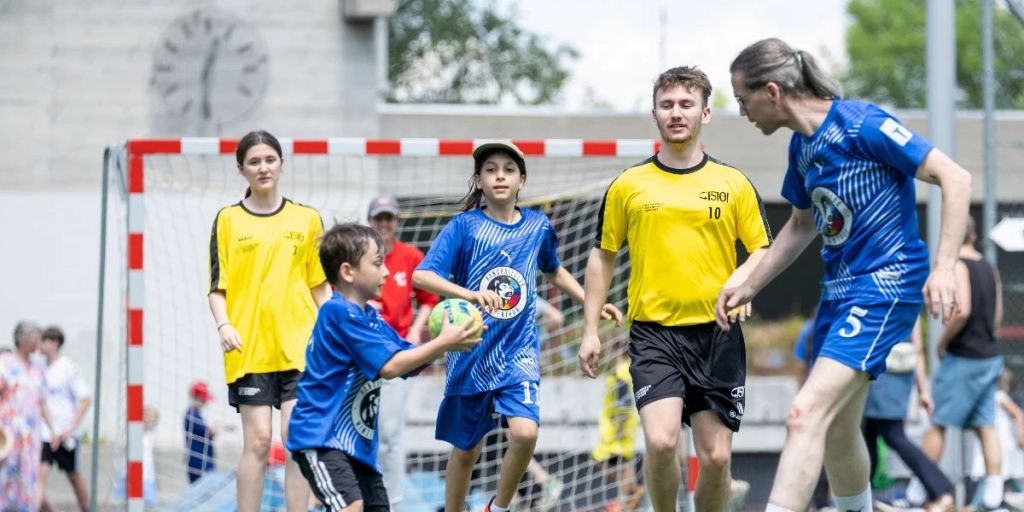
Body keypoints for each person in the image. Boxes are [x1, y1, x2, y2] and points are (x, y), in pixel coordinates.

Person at [717, 38, 973, 512]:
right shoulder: (802, 148)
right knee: (836, 428)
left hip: (886, 284)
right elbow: (800, 225)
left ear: (771, 91)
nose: (742, 112)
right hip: (837, 296)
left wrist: (943, 267)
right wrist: (748, 282)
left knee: (803, 414)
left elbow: (955, 178)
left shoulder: (863, 124)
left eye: (742, 99)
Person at [579, 65, 772, 512]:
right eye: (667, 105)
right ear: (655, 115)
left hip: (717, 336)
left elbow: (763, 248)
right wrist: (590, 329)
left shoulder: (733, 183)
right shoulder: (628, 186)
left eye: (686, 104)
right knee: (662, 442)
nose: (676, 112)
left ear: (705, 114)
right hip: (654, 336)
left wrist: (741, 281)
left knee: (717, 458)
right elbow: (602, 255)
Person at [413, 140, 623, 512]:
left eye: (508, 170)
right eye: (490, 170)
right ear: (478, 180)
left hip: (518, 353)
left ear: (521, 181)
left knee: (525, 432)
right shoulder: (465, 226)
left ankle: (500, 507)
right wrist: (470, 295)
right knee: (466, 452)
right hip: (472, 353)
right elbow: (423, 275)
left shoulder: (538, 226)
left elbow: (554, 270)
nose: (499, 176)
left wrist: (592, 302)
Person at [286, 222, 482, 512]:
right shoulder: (338, 312)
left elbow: (407, 361)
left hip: (358, 448)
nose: (387, 272)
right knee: (351, 506)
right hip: (321, 438)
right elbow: (390, 367)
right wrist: (441, 343)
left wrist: (452, 343)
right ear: (347, 271)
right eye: (378, 264)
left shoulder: (371, 319)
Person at [207, 130, 332, 512]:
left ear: (281, 163)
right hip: (248, 350)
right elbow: (217, 287)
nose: (263, 168)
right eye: (254, 162)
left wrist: (339, 328)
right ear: (241, 169)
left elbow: (319, 286)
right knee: (258, 442)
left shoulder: (307, 218)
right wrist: (224, 325)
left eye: (269, 159)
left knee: (296, 441)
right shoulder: (227, 220)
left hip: (301, 348)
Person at [919, 215, 1005, 511]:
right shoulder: (988, 266)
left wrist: (942, 342)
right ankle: (994, 493)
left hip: (964, 356)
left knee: (938, 422)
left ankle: (922, 488)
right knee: (985, 423)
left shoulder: (956, 265)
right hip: (990, 355)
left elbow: (963, 310)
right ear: (975, 236)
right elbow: (996, 315)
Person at [365, 195, 439, 509]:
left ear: (396, 221)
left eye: (388, 218)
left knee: (390, 433)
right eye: (378, 218)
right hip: (362, 356)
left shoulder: (410, 256)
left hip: (396, 354)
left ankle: (391, 502)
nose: (383, 224)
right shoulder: (360, 254)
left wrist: (414, 331)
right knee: (360, 430)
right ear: (370, 220)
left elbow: (429, 298)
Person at [862, 318, 954, 512]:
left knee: (892, 434)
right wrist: (922, 389)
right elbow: (917, 348)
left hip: (883, 374)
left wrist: (923, 390)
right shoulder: (911, 293)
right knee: (868, 435)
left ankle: (940, 487)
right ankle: (860, 500)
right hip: (895, 376)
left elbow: (917, 348)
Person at [1, 321, 55, 512]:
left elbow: (42, 402)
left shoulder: (37, 369)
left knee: (27, 478)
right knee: (5, 477)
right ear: (24, 339)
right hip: (7, 434)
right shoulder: (4, 363)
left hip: (31, 436)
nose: (38, 343)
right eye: (35, 338)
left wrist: (53, 429)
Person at [37, 326, 92, 512]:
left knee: (73, 475)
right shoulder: (40, 368)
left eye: (43, 341)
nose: (39, 345)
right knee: (39, 475)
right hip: (44, 433)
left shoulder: (68, 367)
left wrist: (70, 428)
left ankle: (87, 508)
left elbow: (85, 399)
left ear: (54, 343)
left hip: (65, 434)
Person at [591, 339, 643, 512]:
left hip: (618, 432)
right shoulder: (629, 371)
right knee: (624, 466)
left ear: (615, 350)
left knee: (601, 458)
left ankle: (624, 501)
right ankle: (632, 493)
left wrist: (619, 428)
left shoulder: (619, 374)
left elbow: (624, 404)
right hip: (627, 429)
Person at [184, 380, 218, 483]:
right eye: (204, 400)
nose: (205, 403)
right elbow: (208, 432)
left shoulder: (196, 414)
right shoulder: (191, 415)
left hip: (204, 458)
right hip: (198, 461)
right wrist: (221, 426)